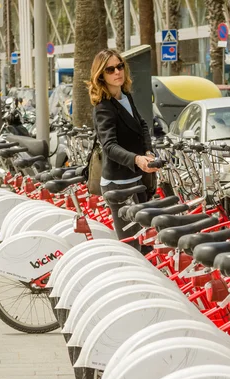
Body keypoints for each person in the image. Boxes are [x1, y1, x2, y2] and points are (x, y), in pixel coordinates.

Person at [88, 48, 158, 250]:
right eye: (110, 69)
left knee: (146, 244)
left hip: (136, 179)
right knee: (132, 247)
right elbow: (109, 146)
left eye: (119, 66)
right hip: (118, 184)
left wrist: (147, 152)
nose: (117, 72)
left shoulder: (125, 96)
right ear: (100, 75)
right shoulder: (103, 107)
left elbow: (142, 125)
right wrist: (137, 159)